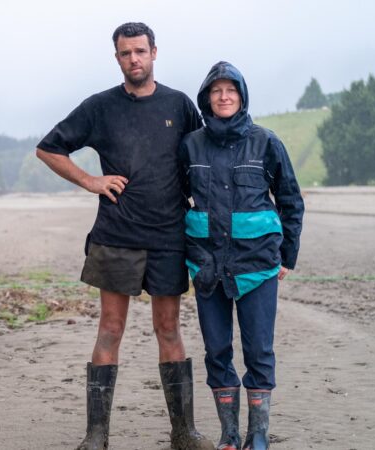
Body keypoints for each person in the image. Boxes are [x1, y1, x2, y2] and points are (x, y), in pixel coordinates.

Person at [36, 22, 214, 450]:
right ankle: (96, 436)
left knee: (169, 328)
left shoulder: (180, 104)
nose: (133, 59)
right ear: (116, 58)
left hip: (169, 235)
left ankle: (183, 433)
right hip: (116, 234)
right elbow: (48, 148)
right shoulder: (100, 107)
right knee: (110, 329)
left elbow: (201, 158)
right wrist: (90, 181)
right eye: (125, 53)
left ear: (154, 52)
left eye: (140, 51)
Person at [179, 61, 304, 450]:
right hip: (207, 267)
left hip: (258, 266)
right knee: (216, 351)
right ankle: (230, 435)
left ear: (242, 95)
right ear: (207, 98)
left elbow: (291, 201)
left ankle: (259, 434)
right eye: (216, 91)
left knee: (259, 351)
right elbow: (176, 200)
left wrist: (287, 256)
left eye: (231, 89)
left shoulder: (267, 142)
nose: (224, 96)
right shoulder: (190, 145)